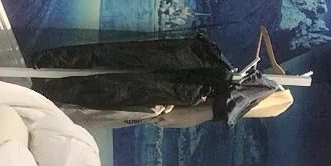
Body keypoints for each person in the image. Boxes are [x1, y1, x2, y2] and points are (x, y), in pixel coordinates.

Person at [28, 27, 294, 129]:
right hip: (195, 79)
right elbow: (224, 107)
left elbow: (223, 107)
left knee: (116, 79)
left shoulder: (274, 96)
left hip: (193, 82)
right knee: (116, 79)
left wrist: (194, 113)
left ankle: (44, 84)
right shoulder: (267, 93)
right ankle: (45, 85)